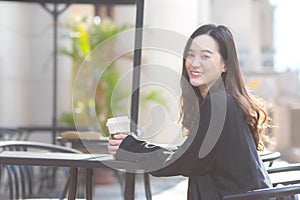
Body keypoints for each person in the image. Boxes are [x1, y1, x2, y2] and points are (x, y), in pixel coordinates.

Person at [108, 24, 272, 200]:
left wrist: (132, 148)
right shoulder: (224, 100)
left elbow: (189, 161)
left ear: (225, 64)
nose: (194, 63)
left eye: (205, 56)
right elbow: (191, 153)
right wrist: (134, 147)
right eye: (190, 55)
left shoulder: (218, 103)